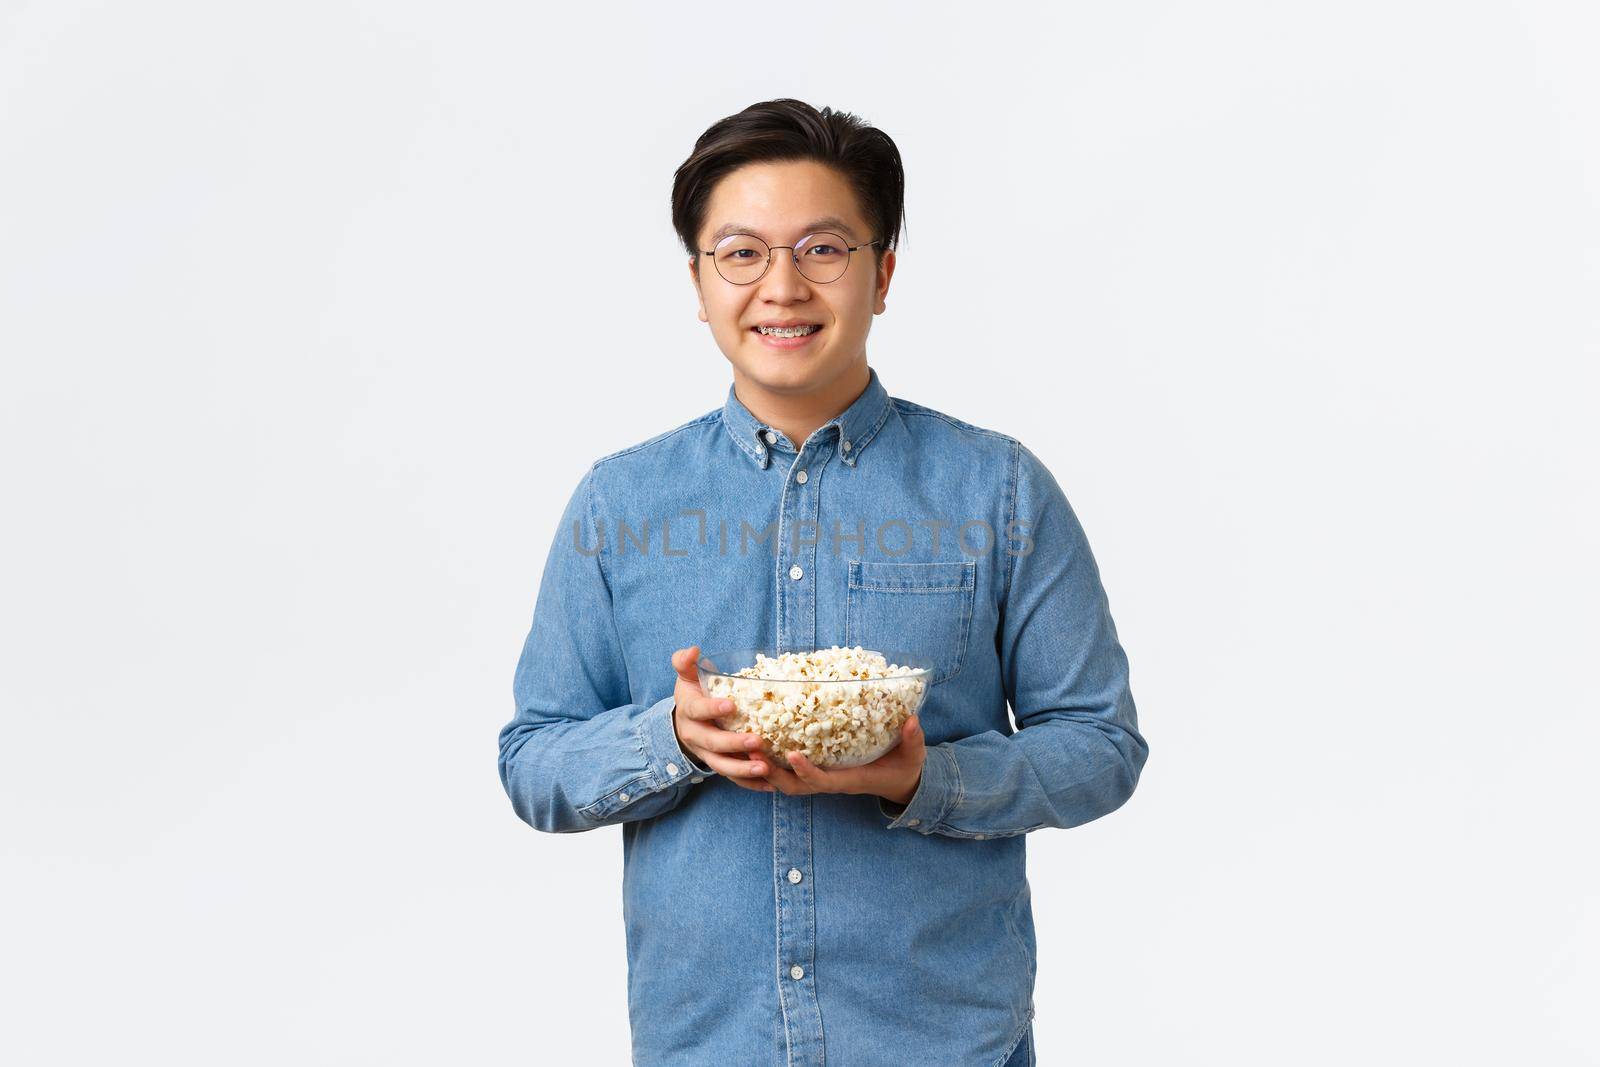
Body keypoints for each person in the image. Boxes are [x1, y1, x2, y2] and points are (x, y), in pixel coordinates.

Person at [497, 98, 1149, 1067]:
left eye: (824, 248)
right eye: (742, 252)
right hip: (707, 1043)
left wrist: (926, 777)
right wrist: (671, 735)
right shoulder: (621, 501)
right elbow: (533, 760)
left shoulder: (997, 488)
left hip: (944, 1040)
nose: (783, 286)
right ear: (699, 279)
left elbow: (1099, 744)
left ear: (882, 272)